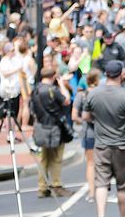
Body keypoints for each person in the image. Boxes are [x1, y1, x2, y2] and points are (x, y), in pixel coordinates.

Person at [85, 60, 125, 217]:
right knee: (122, 185)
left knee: (101, 182)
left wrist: (99, 121)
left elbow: (86, 116)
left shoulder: (94, 94)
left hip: (101, 144)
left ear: (106, 74)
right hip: (121, 145)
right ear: (121, 75)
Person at [30, 66, 74, 198]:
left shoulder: (36, 90)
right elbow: (66, 100)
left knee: (44, 158)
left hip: (41, 126)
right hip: (54, 127)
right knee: (56, 158)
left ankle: (42, 187)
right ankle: (56, 185)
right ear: (53, 76)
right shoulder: (52, 90)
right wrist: (62, 84)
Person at [72, 68, 101, 201]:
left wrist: (83, 121)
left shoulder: (81, 95)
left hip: (88, 133)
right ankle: (101, 189)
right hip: (102, 133)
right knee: (102, 163)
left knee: (90, 163)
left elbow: (74, 116)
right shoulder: (100, 94)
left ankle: (91, 193)